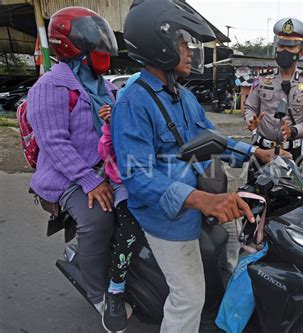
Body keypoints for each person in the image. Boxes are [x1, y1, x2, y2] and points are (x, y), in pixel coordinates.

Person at [111, 0, 280, 332]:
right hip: (167, 216)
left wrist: (253, 152)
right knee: (188, 298)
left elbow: (210, 137)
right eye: (182, 42)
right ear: (157, 43)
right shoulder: (133, 102)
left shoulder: (182, 96)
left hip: (205, 194)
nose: (189, 51)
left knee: (233, 256)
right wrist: (202, 200)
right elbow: (137, 175)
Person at [27, 6, 119, 315]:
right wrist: (89, 180)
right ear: (71, 44)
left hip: (107, 169)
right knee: (98, 219)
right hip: (66, 176)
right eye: (95, 39)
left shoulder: (108, 89)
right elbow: (54, 144)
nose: (102, 45)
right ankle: (97, 294)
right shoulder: (49, 87)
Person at [244, 17, 303, 167]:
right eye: (281, 46)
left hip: (292, 151)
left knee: (288, 190)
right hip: (262, 148)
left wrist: (294, 131)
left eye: (290, 47)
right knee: (255, 188)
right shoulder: (261, 78)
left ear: (301, 53)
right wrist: (251, 120)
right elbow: (250, 107)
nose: (284, 51)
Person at [97, 104, 142, 332]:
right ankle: (115, 289)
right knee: (131, 229)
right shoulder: (118, 125)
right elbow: (105, 153)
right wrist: (108, 126)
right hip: (123, 186)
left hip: (154, 184)